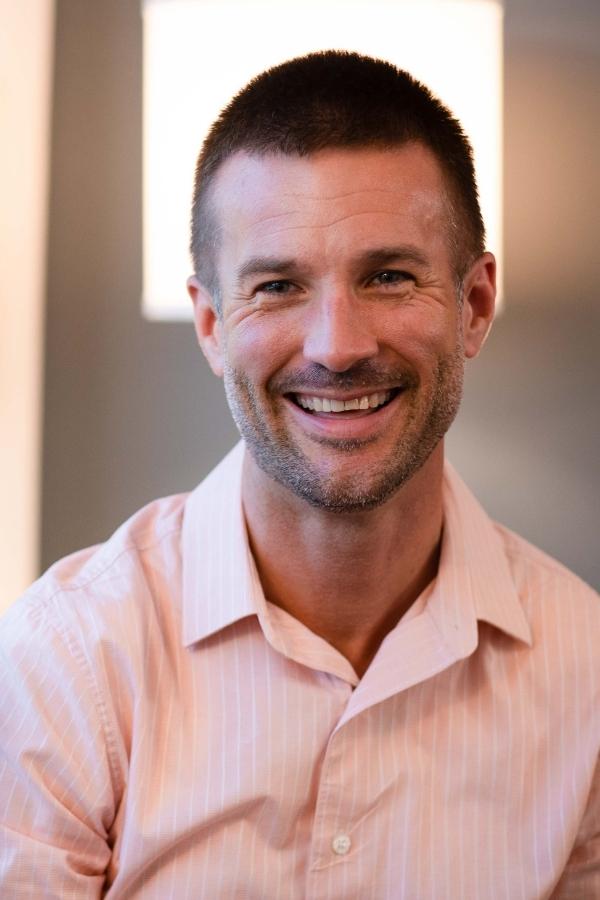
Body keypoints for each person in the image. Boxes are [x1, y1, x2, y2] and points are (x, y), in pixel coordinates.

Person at [1, 51, 598, 899]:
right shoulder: (64, 665)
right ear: (211, 323)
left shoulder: (588, 678)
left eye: (389, 276)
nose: (337, 345)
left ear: (473, 305)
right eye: (278, 286)